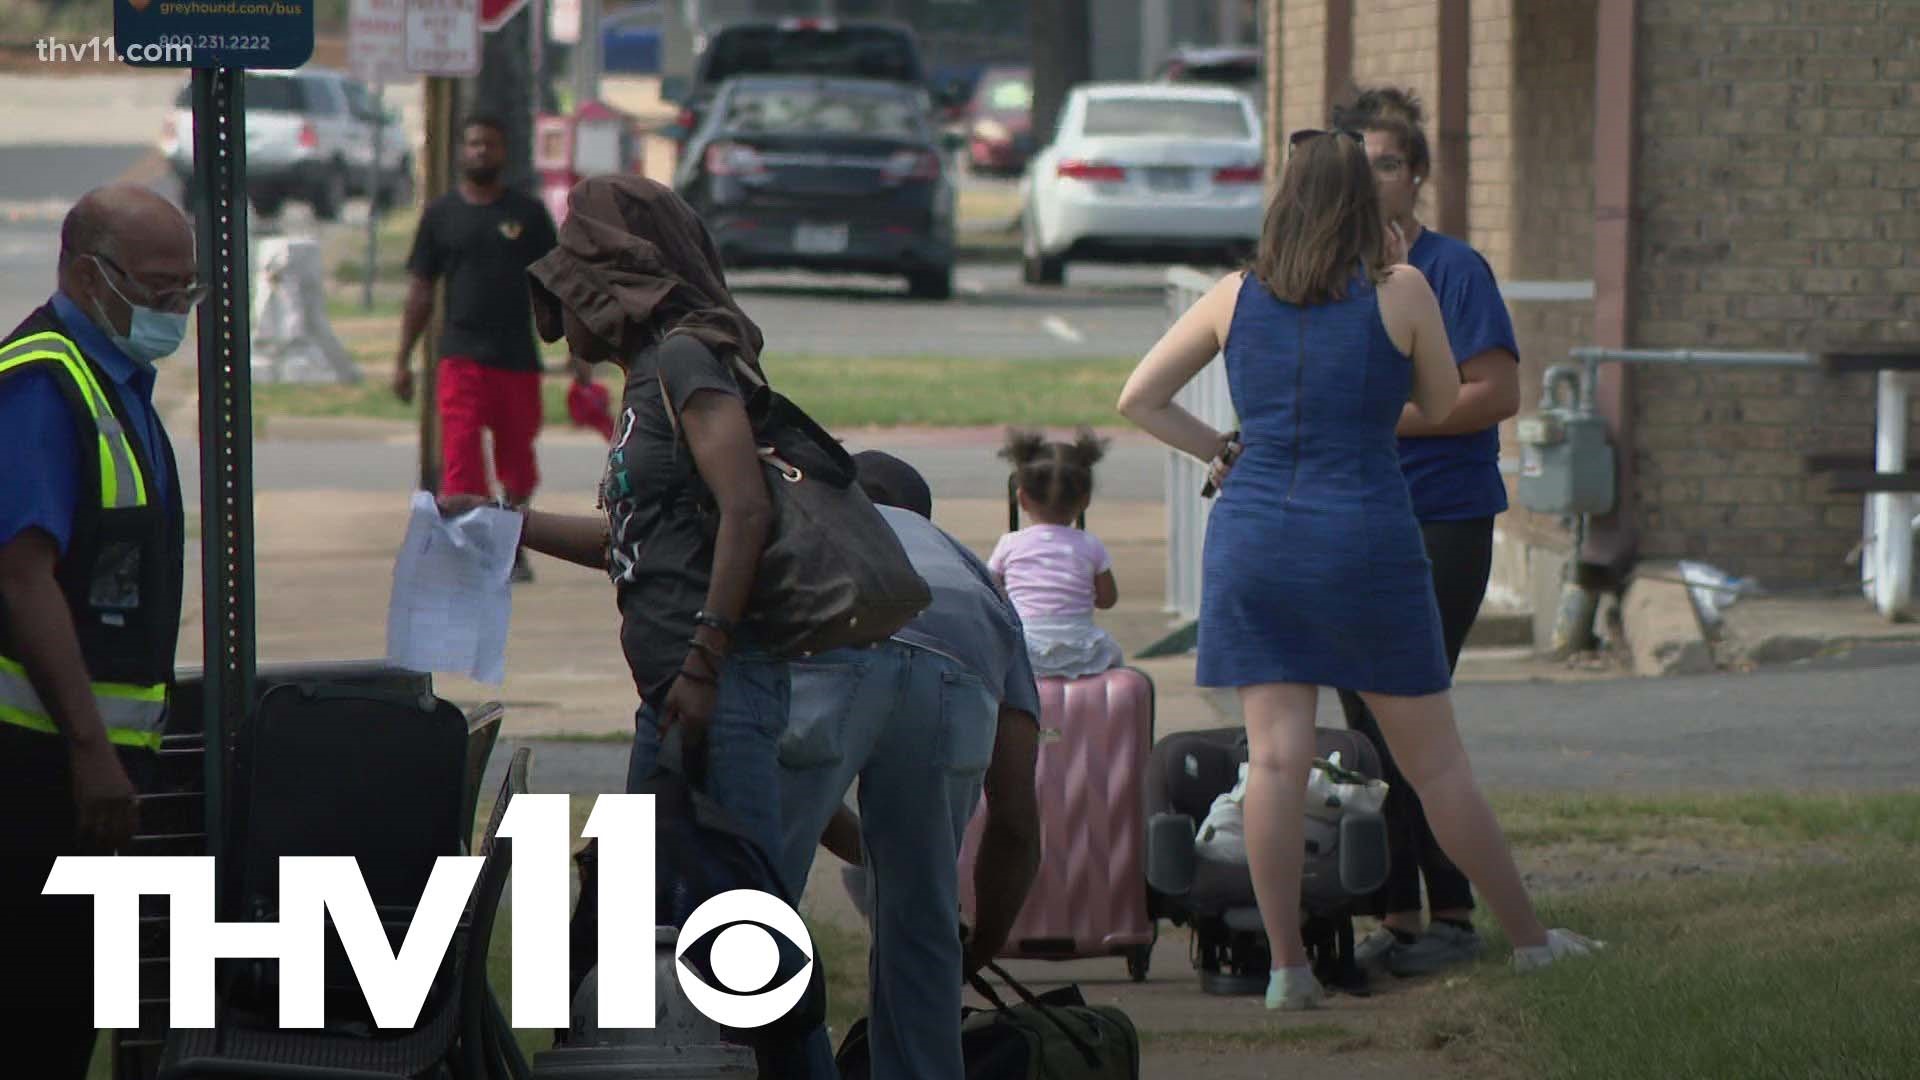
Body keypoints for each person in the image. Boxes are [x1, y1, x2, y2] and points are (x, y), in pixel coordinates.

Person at [1117, 127, 1599, 1011]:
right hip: (1367, 535)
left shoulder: (1235, 295)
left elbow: (1138, 397)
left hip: (1256, 534)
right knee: (1436, 763)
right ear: (1364, 204)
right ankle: (1531, 942)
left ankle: (1288, 971)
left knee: (1274, 761)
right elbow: (1445, 402)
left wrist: (1221, 449)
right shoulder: (1403, 288)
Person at [0, 184, 198, 1077]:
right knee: (35, 1021)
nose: (174, 312)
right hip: (36, 770)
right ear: (88, 273)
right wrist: (88, 745)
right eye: (159, 291)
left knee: (72, 1015)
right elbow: (20, 575)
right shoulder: (43, 384)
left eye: (187, 293)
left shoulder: (118, 383)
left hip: (92, 776)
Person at [1329, 86, 1524, 977]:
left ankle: (1447, 918)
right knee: (1363, 727)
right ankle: (1398, 914)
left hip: (1440, 517)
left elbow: (1496, 393)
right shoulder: (1326, 275)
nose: (1375, 181)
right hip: (1347, 517)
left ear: (1417, 177)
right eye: (1359, 163)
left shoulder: (1452, 272)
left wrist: (1387, 417)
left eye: (1390, 164)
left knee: (1408, 713)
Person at [786, 449, 1042, 1080]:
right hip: (957, 670)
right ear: (923, 517)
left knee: (756, 897)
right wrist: (974, 948)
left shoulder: (810, 530)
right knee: (919, 920)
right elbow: (1013, 816)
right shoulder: (971, 571)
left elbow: (783, 758)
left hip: (829, 644)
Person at [396, 114, 559, 583]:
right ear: (460, 151)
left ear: (503, 151)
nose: (480, 151)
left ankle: (512, 544)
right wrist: (402, 359)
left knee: (518, 462)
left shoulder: (527, 215)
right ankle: (471, 546)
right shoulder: (441, 215)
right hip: (460, 356)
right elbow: (421, 291)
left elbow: (556, 286)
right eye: (472, 143)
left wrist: (579, 356)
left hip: (516, 357)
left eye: (489, 143)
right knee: (462, 455)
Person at [987, 427, 1125, 679]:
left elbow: (990, 593)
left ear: (1022, 498)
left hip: (1026, 651)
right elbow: (1107, 599)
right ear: (1085, 501)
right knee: (1116, 656)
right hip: (1083, 650)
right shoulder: (1090, 545)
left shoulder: (1009, 544)